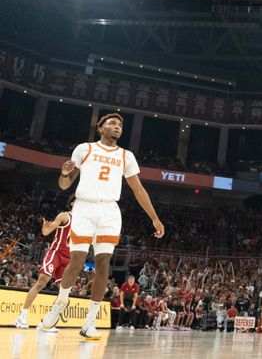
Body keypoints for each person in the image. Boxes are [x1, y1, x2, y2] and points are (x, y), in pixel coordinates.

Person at [39, 113, 165, 339]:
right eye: (112, 123)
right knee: (76, 260)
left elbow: (138, 190)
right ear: (100, 127)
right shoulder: (84, 149)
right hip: (84, 208)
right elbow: (64, 183)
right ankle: (60, 304)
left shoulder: (126, 156)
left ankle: (89, 322)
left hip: (109, 211)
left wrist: (154, 217)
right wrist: (63, 173)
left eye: (120, 125)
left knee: (103, 264)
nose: (117, 127)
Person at [14, 195, 75, 329]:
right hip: (56, 253)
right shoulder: (65, 216)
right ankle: (21, 317)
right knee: (41, 282)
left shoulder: (85, 222)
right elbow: (47, 231)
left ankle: (47, 323)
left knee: (63, 294)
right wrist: (45, 229)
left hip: (69, 258)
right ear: (72, 203)